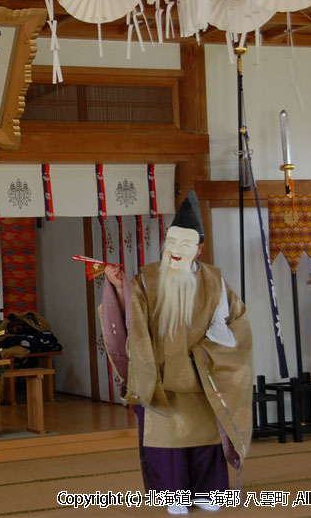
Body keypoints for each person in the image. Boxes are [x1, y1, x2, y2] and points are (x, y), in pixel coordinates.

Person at [99, 190, 253, 515]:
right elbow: (134, 317)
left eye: (187, 244)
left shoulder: (214, 280)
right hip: (159, 372)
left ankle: (208, 492)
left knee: (205, 435)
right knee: (166, 438)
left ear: (199, 248)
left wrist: (209, 350)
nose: (178, 251)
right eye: (173, 243)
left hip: (201, 370)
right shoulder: (148, 278)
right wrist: (119, 286)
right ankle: (172, 496)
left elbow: (232, 320)